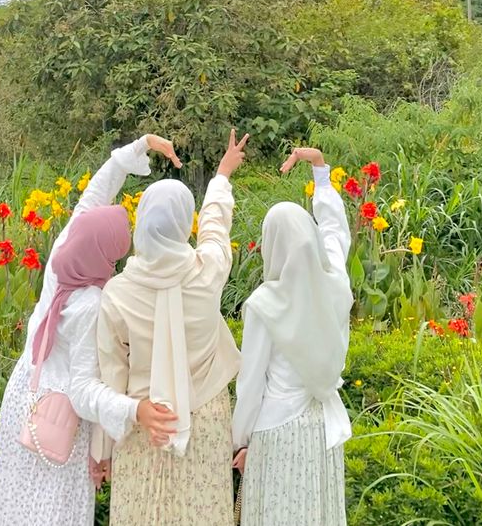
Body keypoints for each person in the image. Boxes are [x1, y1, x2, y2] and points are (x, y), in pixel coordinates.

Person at [0, 134, 179, 526]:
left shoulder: (62, 256)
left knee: (12, 506)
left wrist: (138, 148)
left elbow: (90, 202)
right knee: (54, 512)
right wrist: (134, 411)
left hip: (26, 395)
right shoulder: (91, 303)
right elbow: (84, 391)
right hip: (61, 420)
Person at [95, 129, 248, 526]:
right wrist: (222, 176)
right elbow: (215, 225)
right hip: (204, 417)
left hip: (143, 422)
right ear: (184, 223)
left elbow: (110, 376)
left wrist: (103, 450)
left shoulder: (117, 293)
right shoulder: (208, 270)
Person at [232, 146, 353, 526]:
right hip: (320, 429)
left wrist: (240, 441)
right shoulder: (334, 284)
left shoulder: (264, 304)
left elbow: (250, 383)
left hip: (275, 433)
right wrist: (320, 170)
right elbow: (335, 233)